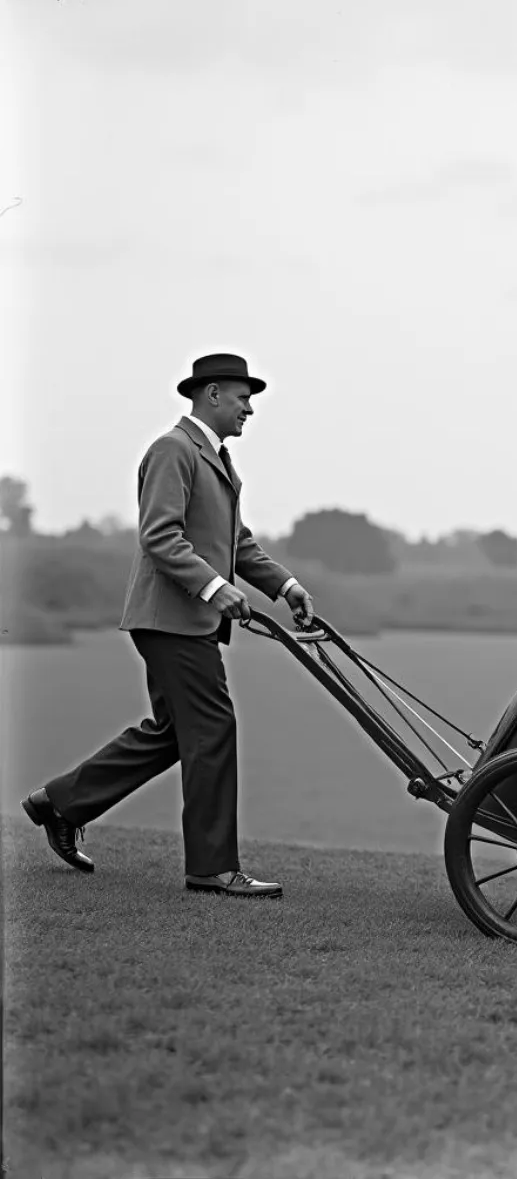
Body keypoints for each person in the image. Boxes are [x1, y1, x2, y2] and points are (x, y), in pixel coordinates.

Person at [21, 352, 315, 899]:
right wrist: (213, 587)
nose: (250, 407)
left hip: (184, 620)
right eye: (243, 396)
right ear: (212, 395)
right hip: (170, 620)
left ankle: (58, 803)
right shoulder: (173, 450)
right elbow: (160, 536)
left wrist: (285, 586)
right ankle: (212, 868)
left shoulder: (218, 460)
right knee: (212, 729)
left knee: (174, 733)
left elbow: (237, 544)